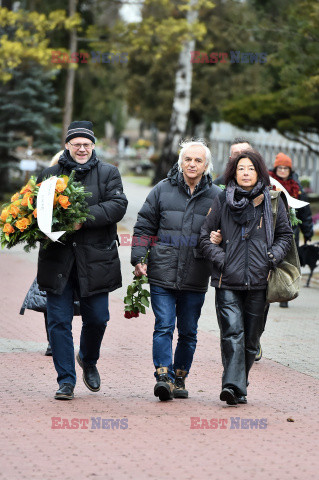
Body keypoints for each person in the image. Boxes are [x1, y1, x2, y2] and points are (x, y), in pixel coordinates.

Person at [36, 121, 128, 400]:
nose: (81, 148)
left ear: (93, 146)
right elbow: (37, 210)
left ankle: (88, 359)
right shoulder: (50, 174)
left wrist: (81, 219)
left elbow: (118, 205)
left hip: (96, 260)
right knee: (58, 321)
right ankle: (66, 380)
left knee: (98, 319)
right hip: (58, 260)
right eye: (76, 144)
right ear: (67, 146)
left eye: (86, 144)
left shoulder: (109, 173)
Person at [199, 150, 293, 405]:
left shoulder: (273, 201)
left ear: (259, 172)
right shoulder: (221, 199)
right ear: (234, 172)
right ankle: (231, 385)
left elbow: (285, 235)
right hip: (227, 280)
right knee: (232, 332)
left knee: (251, 340)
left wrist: (271, 257)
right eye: (241, 168)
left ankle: (239, 383)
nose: (246, 172)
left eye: (250, 168)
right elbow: (204, 237)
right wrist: (223, 260)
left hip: (260, 281)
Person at [131, 140, 221, 401]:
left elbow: (225, 232)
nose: (192, 164)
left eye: (198, 160)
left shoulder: (217, 196)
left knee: (189, 331)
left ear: (206, 166)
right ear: (180, 162)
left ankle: (179, 378)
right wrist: (139, 257)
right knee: (164, 325)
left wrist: (218, 240)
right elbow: (144, 226)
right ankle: (163, 377)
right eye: (188, 159)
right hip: (162, 270)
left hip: (196, 272)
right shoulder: (162, 190)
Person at [20, 151, 65, 357]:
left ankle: (58, 340)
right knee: (50, 300)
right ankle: (53, 341)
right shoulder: (45, 186)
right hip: (51, 256)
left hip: (73, 255)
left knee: (60, 302)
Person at [269, 152, 313, 307]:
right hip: (271, 228)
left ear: (290, 170)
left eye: (285, 168)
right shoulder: (268, 181)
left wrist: (307, 232)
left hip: (290, 229)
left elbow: (305, 212)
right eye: (279, 168)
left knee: (287, 260)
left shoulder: (296, 186)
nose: (282, 171)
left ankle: (285, 291)